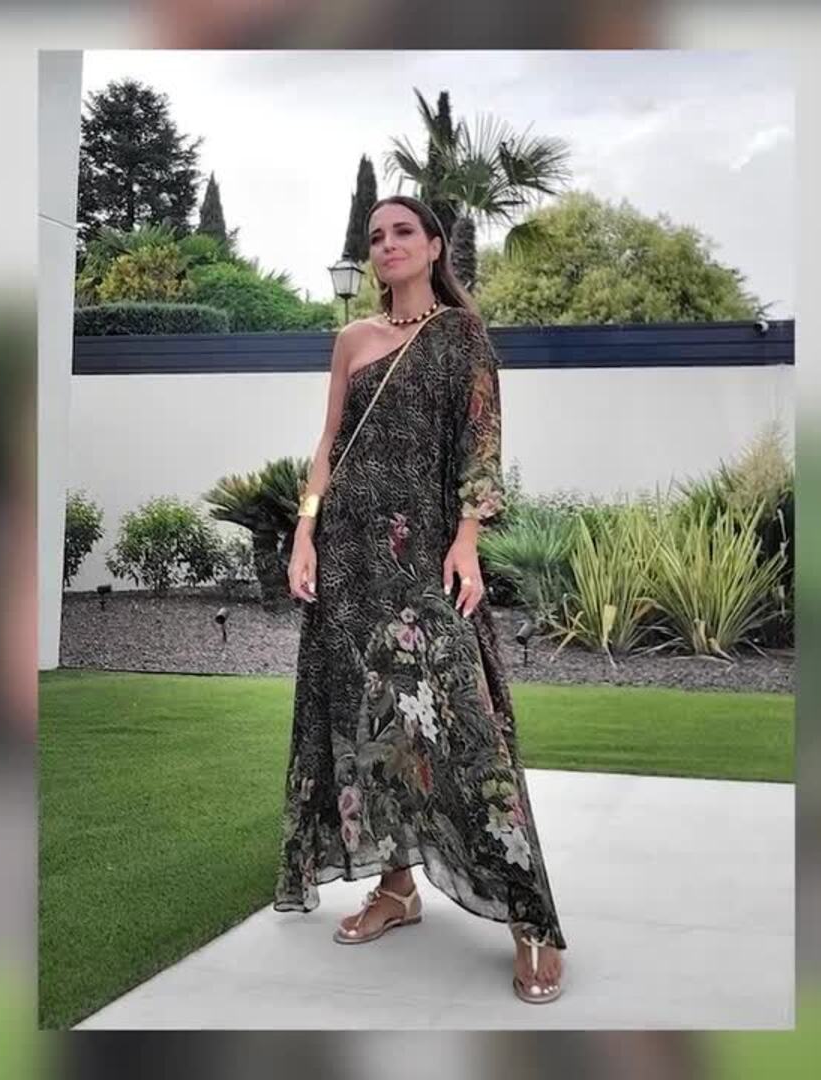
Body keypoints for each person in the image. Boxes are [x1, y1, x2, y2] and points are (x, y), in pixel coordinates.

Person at [271, 195, 567, 1004]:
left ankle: (529, 915)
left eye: (403, 231)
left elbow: (482, 445)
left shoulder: (462, 336)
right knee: (367, 725)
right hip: (347, 557)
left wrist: (466, 540)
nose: (387, 244)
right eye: (376, 236)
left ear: (436, 245)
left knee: (469, 729)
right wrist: (305, 531)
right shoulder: (352, 340)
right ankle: (396, 889)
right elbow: (328, 445)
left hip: (422, 558)